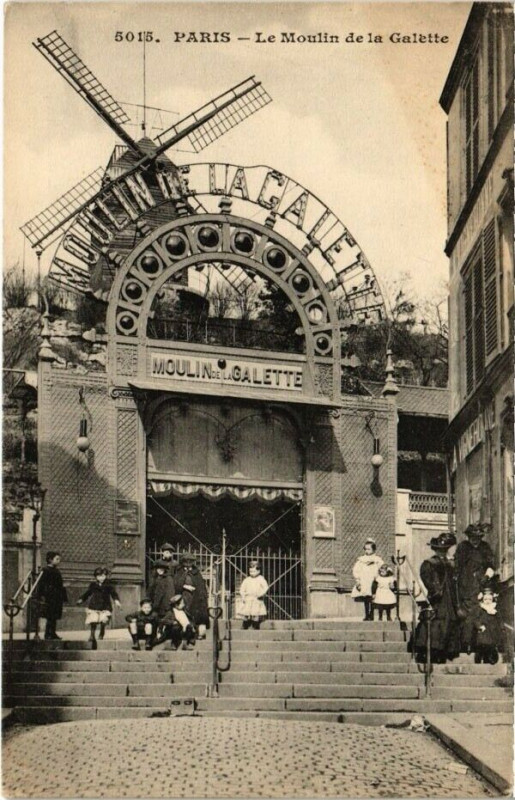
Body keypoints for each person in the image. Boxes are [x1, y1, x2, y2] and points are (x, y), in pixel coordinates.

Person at [413, 533, 460, 664]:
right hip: (437, 598)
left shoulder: (450, 563)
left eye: (444, 550)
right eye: (439, 550)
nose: (442, 552)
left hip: (450, 598)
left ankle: (444, 652)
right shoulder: (430, 563)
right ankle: (431, 651)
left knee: (448, 621)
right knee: (434, 622)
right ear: (435, 549)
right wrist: (435, 589)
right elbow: (427, 578)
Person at [455, 523, 495, 652]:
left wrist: (486, 576)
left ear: (481, 537)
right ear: (468, 537)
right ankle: (465, 643)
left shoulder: (485, 548)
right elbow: (457, 566)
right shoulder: (462, 547)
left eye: (477, 537)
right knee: (467, 615)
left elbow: (491, 565)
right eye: (472, 537)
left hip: (481, 586)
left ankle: (481, 644)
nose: (475, 539)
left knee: (480, 613)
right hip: (465, 586)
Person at [77, 568, 121, 649]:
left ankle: (102, 631)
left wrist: (116, 601)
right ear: (96, 577)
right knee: (93, 620)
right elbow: (88, 593)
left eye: (103, 576)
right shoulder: (93, 585)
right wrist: (82, 599)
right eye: (99, 576)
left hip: (105, 605)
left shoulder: (109, 585)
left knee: (103, 620)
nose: (102, 578)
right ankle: (92, 635)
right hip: (95, 605)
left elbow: (113, 594)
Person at [173, 554, 209, 639]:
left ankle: (196, 633)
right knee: (184, 614)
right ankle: (185, 634)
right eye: (186, 561)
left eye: (190, 562)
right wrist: (185, 586)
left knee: (195, 614)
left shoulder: (196, 573)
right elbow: (176, 584)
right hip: (184, 596)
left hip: (195, 596)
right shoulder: (179, 572)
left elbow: (200, 585)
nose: (188, 564)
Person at [35, 551, 68, 640]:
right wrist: (41, 595)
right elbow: (41, 584)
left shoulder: (56, 570)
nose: (59, 561)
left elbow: (60, 584)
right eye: (57, 559)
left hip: (57, 596)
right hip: (50, 596)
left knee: (54, 616)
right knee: (50, 616)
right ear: (50, 560)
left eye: (59, 559)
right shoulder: (45, 570)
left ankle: (52, 633)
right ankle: (48, 634)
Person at [471, 584, 504, 664]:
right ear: (483, 600)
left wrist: (501, 627)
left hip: (492, 631)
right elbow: (476, 619)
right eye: (485, 599)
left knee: (491, 646)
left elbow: (499, 619)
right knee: (482, 645)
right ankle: (478, 657)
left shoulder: (494, 609)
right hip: (483, 630)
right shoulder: (481, 609)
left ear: (492, 599)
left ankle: (489, 658)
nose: (488, 601)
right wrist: (479, 626)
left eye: (490, 599)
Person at [351, 539, 384, 621]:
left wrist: (379, 577)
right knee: (366, 598)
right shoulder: (361, 560)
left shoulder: (377, 559)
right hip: (364, 581)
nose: (367, 551)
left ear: (373, 549)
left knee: (372, 598)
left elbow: (383, 568)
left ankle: (371, 614)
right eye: (365, 549)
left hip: (373, 581)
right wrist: (358, 580)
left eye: (369, 549)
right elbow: (356, 569)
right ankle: (366, 615)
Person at [238, 560, 269, 630]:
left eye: (254, 571)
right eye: (250, 571)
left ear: (258, 571)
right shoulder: (247, 580)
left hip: (256, 598)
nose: (252, 573)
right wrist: (243, 596)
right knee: (246, 612)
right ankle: (245, 624)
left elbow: (266, 587)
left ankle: (255, 624)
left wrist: (261, 594)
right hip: (248, 598)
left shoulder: (261, 579)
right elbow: (242, 589)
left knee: (256, 612)